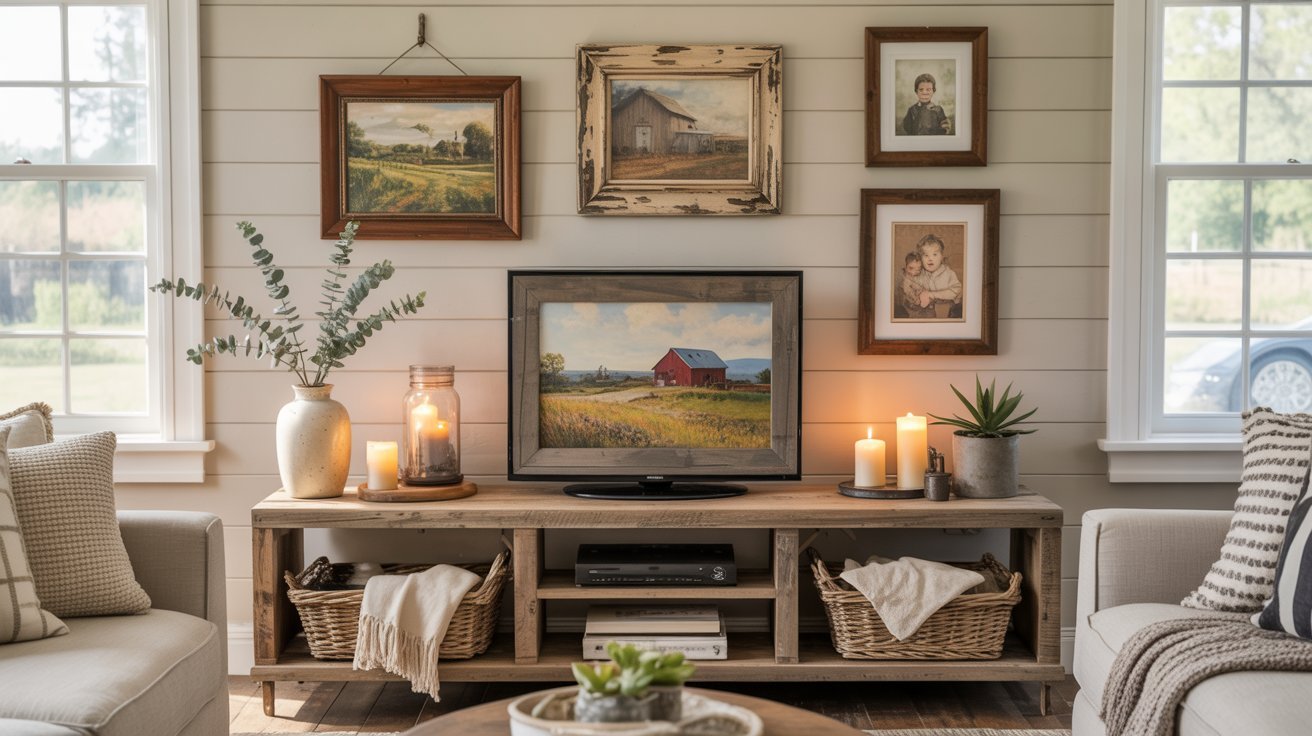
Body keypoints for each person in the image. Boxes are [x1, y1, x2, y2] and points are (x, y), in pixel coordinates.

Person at [914, 234, 962, 318]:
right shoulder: (920, 274)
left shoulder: (948, 273)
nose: (930, 259)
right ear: (921, 258)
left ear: (941, 257)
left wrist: (932, 294)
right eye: (926, 255)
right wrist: (919, 295)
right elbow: (914, 289)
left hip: (950, 311)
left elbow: (956, 291)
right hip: (928, 312)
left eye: (935, 254)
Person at [896, 251, 935, 319]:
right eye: (911, 268)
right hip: (912, 301)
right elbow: (907, 290)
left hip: (923, 296)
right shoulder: (906, 278)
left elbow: (926, 283)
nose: (914, 272)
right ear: (906, 266)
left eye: (918, 269)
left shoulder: (922, 274)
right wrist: (915, 298)